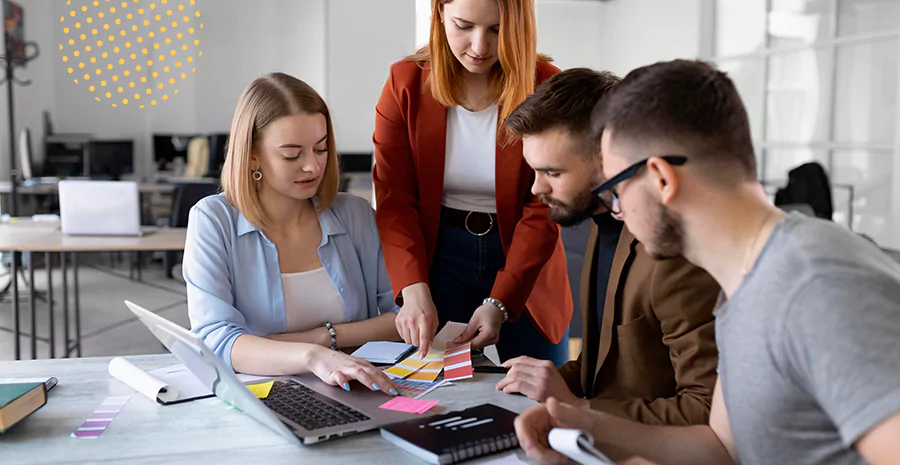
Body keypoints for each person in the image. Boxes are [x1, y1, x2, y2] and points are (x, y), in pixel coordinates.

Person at [514, 59, 900, 465]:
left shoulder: (818, 286)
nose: (616, 210)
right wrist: (580, 426)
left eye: (615, 189)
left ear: (662, 179)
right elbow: (720, 446)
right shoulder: (743, 283)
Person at [497, 68, 720, 425]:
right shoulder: (602, 225)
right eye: (533, 172)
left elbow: (706, 410)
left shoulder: (671, 255)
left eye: (552, 173)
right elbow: (602, 367)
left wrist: (577, 409)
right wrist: (539, 382)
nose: (537, 189)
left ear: (606, 159)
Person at [373, 0, 572, 365]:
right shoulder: (404, 83)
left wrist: (502, 300)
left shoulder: (546, 84)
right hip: (439, 260)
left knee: (541, 399)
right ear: (440, 14)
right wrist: (413, 289)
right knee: (437, 400)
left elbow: (543, 206)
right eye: (464, 26)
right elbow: (394, 200)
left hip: (526, 263)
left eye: (497, 30)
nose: (480, 47)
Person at [184, 73, 400, 397]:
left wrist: (322, 338)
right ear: (253, 154)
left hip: (356, 390)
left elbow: (402, 320)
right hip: (261, 396)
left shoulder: (355, 215)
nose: (312, 167)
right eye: (291, 154)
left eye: (321, 148)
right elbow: (216, 340)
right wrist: (312, 357)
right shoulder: (213, 220)